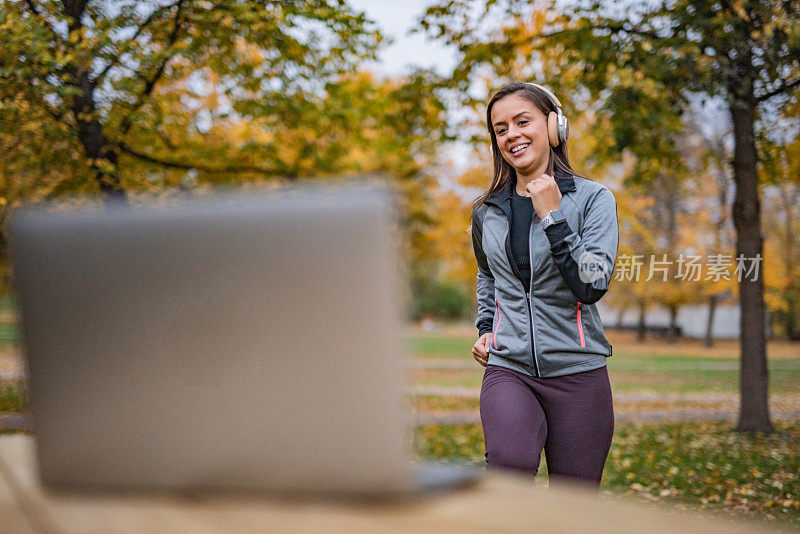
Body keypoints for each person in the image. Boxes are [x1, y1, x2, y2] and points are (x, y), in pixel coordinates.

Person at [470, 81, 618, 488]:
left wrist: (553, 217)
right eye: (501, 129)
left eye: (523, 121)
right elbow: (487, 274)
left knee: (574, 502)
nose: (512, 134)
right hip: (510, 367)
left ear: (554, 128)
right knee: (508, 469)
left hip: (579, 373)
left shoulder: (593, 199)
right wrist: (486, 327)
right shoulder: (487, 212)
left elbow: (591, 283)